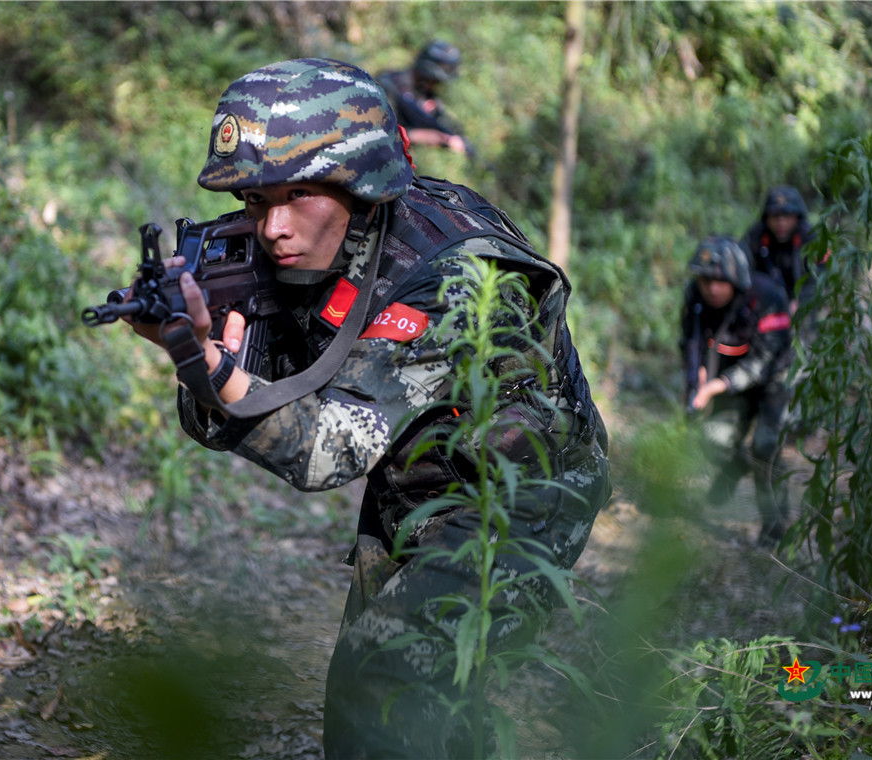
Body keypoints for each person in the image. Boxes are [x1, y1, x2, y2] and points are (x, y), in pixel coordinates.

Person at [125, 58, 610, 758]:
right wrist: (205, 360)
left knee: (384, 682)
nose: (272, 228)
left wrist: (209, 367)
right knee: (393, 697)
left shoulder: (448, 276)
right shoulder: (330, 241)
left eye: (297, 194)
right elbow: (239, 408)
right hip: (413, 470)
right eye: (256, 200)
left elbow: (327, 450)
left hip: (522, 497)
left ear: (361, 180)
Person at [680, 235, 793, 547]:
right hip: (730, 381)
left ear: (736, 279)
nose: (712, 288)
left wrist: (717, 386)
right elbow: (690, 342)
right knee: (712, 438)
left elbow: (767, 359)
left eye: (720, 281)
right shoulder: (696, 297)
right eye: (706, 280)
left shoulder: (767, 297)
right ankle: (736, 464)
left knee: (765, 447)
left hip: (773, 378)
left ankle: (776, 529)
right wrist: (695, 383)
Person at [376, 40, 471, 155]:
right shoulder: (388, 85)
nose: (436, 85)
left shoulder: (425, 97)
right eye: (435, 81)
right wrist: (425, 136)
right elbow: (378, 132)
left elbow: (446, 125)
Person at [739, 185, 820, 313]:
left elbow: (821, 276)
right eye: (775, 216)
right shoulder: (757, 236)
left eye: (787, 216)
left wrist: (802, 301)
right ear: (767, 218)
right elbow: (741, 267)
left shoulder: (809, 238)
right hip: (766, 301)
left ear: (797, 217)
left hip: (803, 301)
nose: (781, 223)